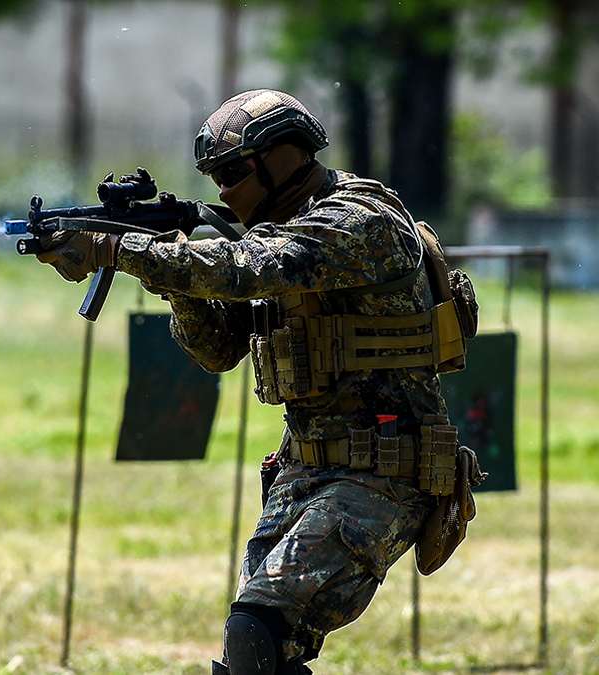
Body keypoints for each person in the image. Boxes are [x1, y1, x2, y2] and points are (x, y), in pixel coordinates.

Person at [34, 89, 478, 674]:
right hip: (305, 470)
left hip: (383, 471)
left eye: (231, 172)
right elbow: (219, 348)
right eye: (212, 177)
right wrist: (174, 278)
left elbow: (249, 268)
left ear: (284, 157)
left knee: (258, 628)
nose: (221, 191)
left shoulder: (357, 223)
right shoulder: (280, 231)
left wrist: (122, 250)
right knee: (261, 645)